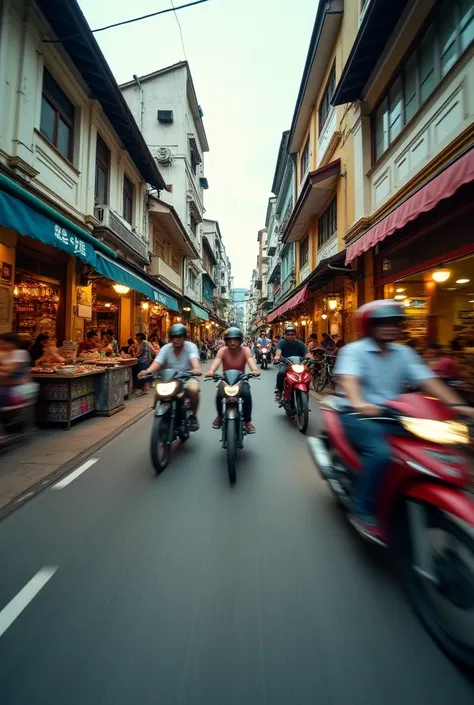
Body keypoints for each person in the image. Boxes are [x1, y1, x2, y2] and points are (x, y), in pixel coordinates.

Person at [334, 299, 474, 536]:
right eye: (383, 323)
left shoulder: (405, 353)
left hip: (395, 415)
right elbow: (349, 380)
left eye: (395, 322)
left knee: (438, 449)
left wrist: (459, 405)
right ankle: (362, 508)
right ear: (369, 326)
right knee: (381, 453)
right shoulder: (354, 351)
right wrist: (359, 403)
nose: (391, 327)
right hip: (358, 415)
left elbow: (428, 381)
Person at [138, 324, 201, 431]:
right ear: (170, 338)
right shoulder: (166, 348)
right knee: (159, 392)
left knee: (194, 389)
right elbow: (157, 362)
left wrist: (196, 369)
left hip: (186, 377)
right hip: (169, 379)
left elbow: (194, 360)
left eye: (179, 337)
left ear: (184, 337)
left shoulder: (191, 347)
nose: (176, 340)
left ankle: (193, 417)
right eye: (174, 337)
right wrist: (147, 371)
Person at [205, 327, 259, 433]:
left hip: (241, 380)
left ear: (240, 340)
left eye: (235, 339)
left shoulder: (246, 350)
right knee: (219, 395)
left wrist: (254, 370)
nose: (233, 342)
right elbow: (217, 361)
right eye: (230, 339)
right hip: (225, 380)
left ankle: (248, 421)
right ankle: (219, 416)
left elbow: (251, 361)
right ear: (226, 341)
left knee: (247, 395)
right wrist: (211, 371)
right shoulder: (222, 350)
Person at [273, 326, 307, 400]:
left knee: (307, 374)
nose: (290, 336)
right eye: (288, 335)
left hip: (299, 365)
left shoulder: (301, 344)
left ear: (295, 335)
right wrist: (277, 358)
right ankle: (279, 390)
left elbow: (307, 354)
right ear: (285, 335)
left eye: (292, 334)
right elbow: (278, 353)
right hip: (285, 364)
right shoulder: (281, 343)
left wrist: (310, 358)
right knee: (281, 373)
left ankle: (306, 389)